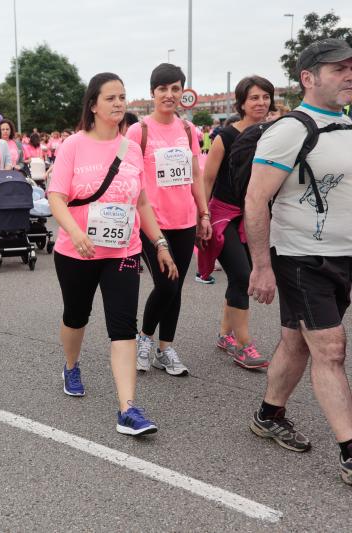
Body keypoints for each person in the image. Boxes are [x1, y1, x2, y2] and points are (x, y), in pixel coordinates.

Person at [245, 39, 352, 485]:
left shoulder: (346, 125)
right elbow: (256, 198)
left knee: (297, 342)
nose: (349, 75)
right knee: (330, 349)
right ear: (308, 78)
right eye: (338, 69)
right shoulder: (289, 130)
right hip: (301, 258)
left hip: (342, 256)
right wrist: (261, 266)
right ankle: (350, 452)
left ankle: (268, 415)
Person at [48, 72, 177, 436]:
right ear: (93, 105)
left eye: (122, 97)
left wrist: (161, 244)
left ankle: (128, 409)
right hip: (77, 252)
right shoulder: (73, 145)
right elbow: (56, 197)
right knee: (76, 316)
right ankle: (71, 365)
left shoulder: (132, 149)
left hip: (123, 251)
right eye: (111, 98)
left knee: (123, 327)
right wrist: (75, 232)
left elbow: (142, 202)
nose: (119, 103)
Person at [126, 63, 211, 376]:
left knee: (176, 288)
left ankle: (166, 348)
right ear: (152, 93)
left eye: (175, 88)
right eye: (163, 89)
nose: (169, 94)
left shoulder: (189, 130)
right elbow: (126, 173)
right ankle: (144, 338)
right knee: (166, 284)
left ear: (182, 92)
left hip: (185, 220)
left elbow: (196, 174)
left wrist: (203, 213)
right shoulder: (139, 131)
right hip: (154, 223)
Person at [200, 76, 276, 370]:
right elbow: (207, 179)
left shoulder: (273, 134)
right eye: (254, 97)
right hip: (223, 214)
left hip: (255, 216)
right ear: (241, 103)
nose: (260, 102)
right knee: (243, 276)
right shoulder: (225, 136)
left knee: (238, 278)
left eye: (265, 97)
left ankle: (224, 334)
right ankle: (244, 346)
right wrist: (202, 217)